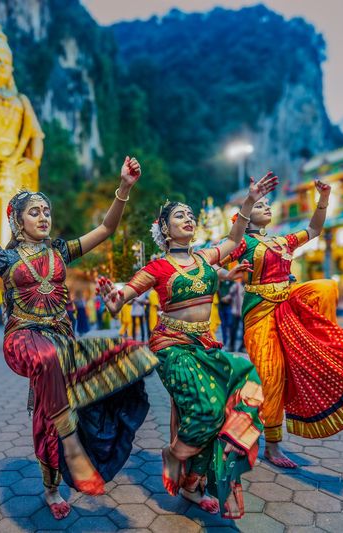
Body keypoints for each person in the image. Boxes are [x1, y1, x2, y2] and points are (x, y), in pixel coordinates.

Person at [0, 156, 156, 520]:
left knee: (129, 354)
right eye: (34, 212)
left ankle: (52, 486)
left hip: (62, 340)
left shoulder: (60, 251)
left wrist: (124, 188)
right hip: (23, 339)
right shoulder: (3, 258)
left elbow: (105, 230)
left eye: (46, 211)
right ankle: (72, 447)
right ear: (17, 220)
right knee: (48, 361)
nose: (43, 216)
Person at [98, 172, 278, 519]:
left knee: (246, 380)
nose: (188, 218)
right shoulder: (158, 266)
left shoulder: (206, 258)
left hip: (205, 344)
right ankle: (175, 455)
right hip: (172, 347)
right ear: (165, 229)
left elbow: (234, 237)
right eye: (179, 215)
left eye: (190, 214)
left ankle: (193, 484)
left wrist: (250, 199)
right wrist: (112, 297)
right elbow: (123, 297)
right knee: (207, 410)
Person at [225, 178, 343, 469]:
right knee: (271, 375)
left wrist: (324, 198)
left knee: (325, 288)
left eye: (267, 203)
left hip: (287, 305)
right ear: (244, 218)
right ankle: (271, 445)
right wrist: (227, 275)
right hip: (260, 315)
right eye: (260, 205)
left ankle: (316, 342)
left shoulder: (282, 240)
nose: (267, 207)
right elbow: (220, 256)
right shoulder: (241, 243)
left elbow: (315, 229)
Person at [227, 281, 245, 352]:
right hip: (235, 312)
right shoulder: (236, 285)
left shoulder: (249, 286)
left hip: (244, 312)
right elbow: (230, 294)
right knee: (233, 330)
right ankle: (231, 346)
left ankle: (243, 347)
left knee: (245, 331)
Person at [217, 277, 233, 347]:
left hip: (229, 306)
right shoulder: (219, 282)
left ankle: (229, 342)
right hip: (221, 306)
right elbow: (217, 290)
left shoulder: (231, 281)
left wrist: (228, 297)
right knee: (223, 324)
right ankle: (225, 341)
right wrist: (222, 298)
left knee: (229, 324)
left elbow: (233, 291)